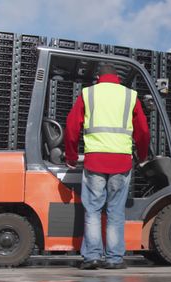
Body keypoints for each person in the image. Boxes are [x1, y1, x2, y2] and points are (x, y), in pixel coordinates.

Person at [64, 64, 150, 270]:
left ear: (98, 77)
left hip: (95, 161)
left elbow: (71, 127)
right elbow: (143, 131)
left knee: (93, 210)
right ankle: (114, 259)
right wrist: (143, 156)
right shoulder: (130, 96)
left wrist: (71, 156)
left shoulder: (88, 94)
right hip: (121, 161)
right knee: (116, 211)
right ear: (117, 77)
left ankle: (92, 257)